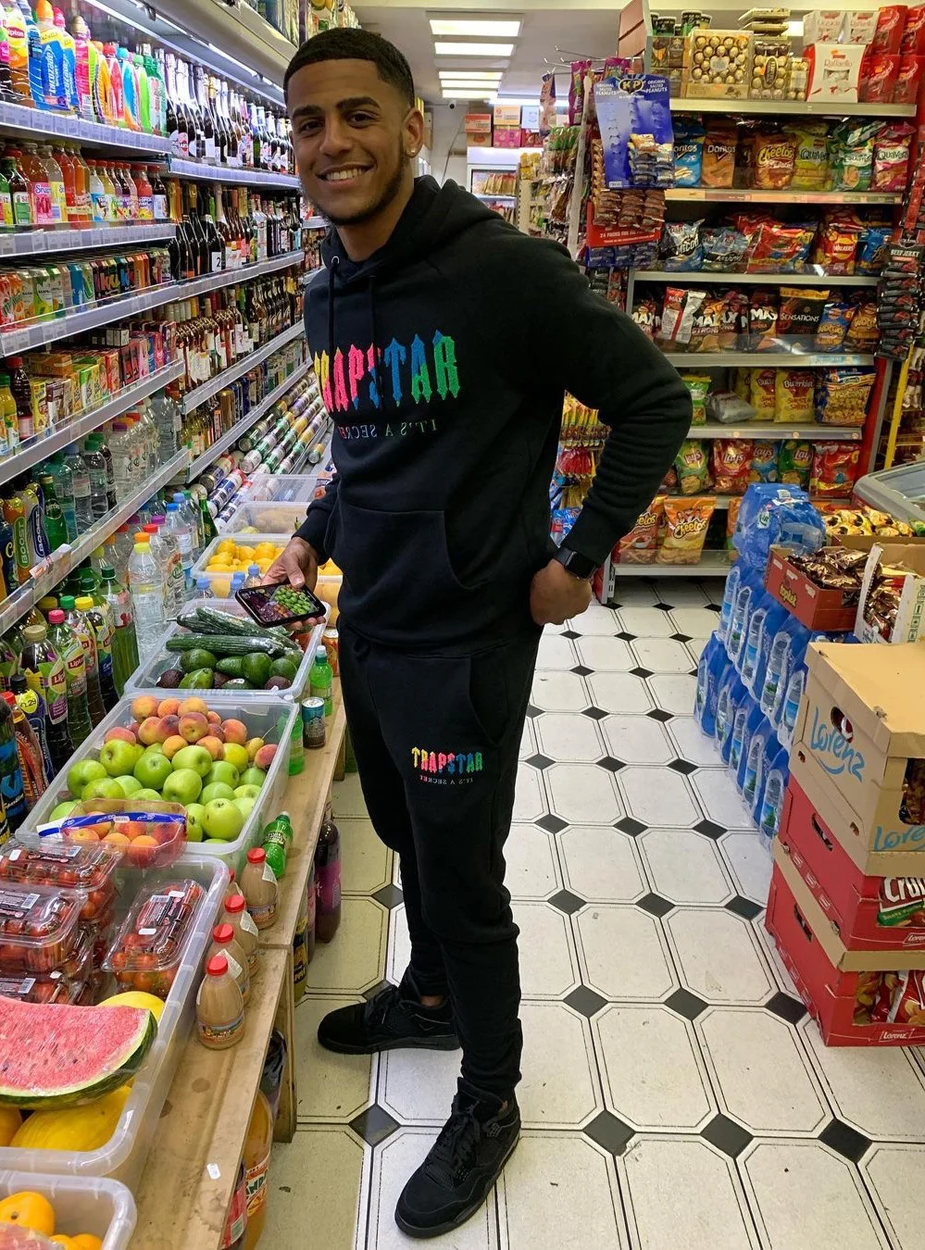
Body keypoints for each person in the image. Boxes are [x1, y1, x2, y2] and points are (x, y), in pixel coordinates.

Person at [267, 28, 691, 1239]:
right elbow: (366, 445)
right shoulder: (326, 293)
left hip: (466, 645)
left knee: (463, 875)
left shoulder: (504, 271)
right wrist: (314, 531)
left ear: (412, 127)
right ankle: (432, 995)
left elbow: (654, 399)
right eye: (309, 122)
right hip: (371, 627)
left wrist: (578, 555)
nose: (333, 142)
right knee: (407, 833)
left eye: (358, 114)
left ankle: (489, 1091)